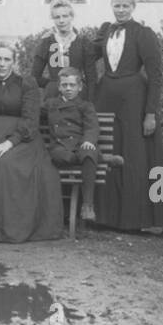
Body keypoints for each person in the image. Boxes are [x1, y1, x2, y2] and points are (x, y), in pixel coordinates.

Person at [0, 42, 64, 243]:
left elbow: (30, 120)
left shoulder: (27, 84)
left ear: (14, 62)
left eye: (7, 59)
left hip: (21, 139)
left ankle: (3, 229)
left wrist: (9, 144)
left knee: (4, 164)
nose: (2, 64)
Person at [93, 0, 163, 232]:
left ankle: (135, 220)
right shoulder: (105, 30)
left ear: (133, 6)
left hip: (134, 100)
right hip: (106, 95)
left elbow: (156, 76)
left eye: (125, 5)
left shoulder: (143, 34)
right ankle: (105, 217)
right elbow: (86, 56)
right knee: (107, 149)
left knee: (134, 155)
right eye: (117, 5)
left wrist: (151, 113)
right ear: (111, 5)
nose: (121, 9)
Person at [43, 67, 124, 223]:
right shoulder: (51, 104)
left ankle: (87, 205)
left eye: (72, 85)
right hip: (60, 147)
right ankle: (102, 158)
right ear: (59, 87)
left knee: (88, 152)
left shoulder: (85, 106)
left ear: (79, 87)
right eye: (64, 85)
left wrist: (88, 141)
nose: (68, 89)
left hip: (81, 144)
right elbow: (33, 112)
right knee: (63, 157)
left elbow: (92, 126)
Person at [30, 0, 98, 102]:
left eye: (65, 16)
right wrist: (52, 84)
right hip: (53, 97)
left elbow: (91, 77)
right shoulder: (47, 42)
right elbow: (34, 76)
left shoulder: (83, 42)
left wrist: (90, 101)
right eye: (57, 17)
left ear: (71, 17)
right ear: (53, 19)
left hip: (79, 96)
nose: (61, 21)